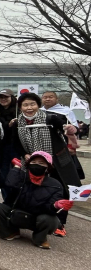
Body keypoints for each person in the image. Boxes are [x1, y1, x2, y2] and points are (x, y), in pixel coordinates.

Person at [13, 92, 79, 237]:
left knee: (60, 190)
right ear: (20, 107)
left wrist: (73, 130)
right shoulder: (18, 123)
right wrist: (24, 154)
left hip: (54, 162)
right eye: (25, 105)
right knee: (30, 189)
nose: (29, 108)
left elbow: (68, 129)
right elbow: (16, 143)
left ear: (38, 105)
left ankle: (60, 223)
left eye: (32, 104)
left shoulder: (51, 118)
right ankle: (30, 218)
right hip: (31, 161)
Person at [0, 151, 69, 249]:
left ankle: (40, 238)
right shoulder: (21, 176)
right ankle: (11, 232)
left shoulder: (55, 185)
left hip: (37, 217)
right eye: (33, 162)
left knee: (51, 219)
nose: (37, 165)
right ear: (28, 164)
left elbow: (49, 208)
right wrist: (16, 168)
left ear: (48, 167)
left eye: (41, 163)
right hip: (17, 213)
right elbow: (9, 184)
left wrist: (56, 205)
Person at [0, 89, 19, 179]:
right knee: (3, 171)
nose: (3, 99)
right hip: (1, 146)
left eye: (6, 97)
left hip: (15, 146)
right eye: (1, 97)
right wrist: (7, 125)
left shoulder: (18, 112)